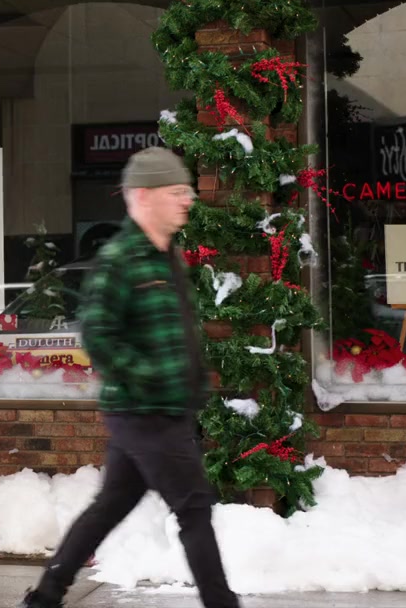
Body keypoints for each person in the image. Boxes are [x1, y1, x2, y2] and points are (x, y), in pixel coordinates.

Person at [20, 147, 240, 608]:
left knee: (110, 506)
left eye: (187, 191)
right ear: (143, 196)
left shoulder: (166, 257)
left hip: (162, 409)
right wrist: (152, 379)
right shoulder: (120, 259)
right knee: (194, 508)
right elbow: (98, 335)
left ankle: (45, 596)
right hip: (145, 411)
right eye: (176, 191)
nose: (187, 200)